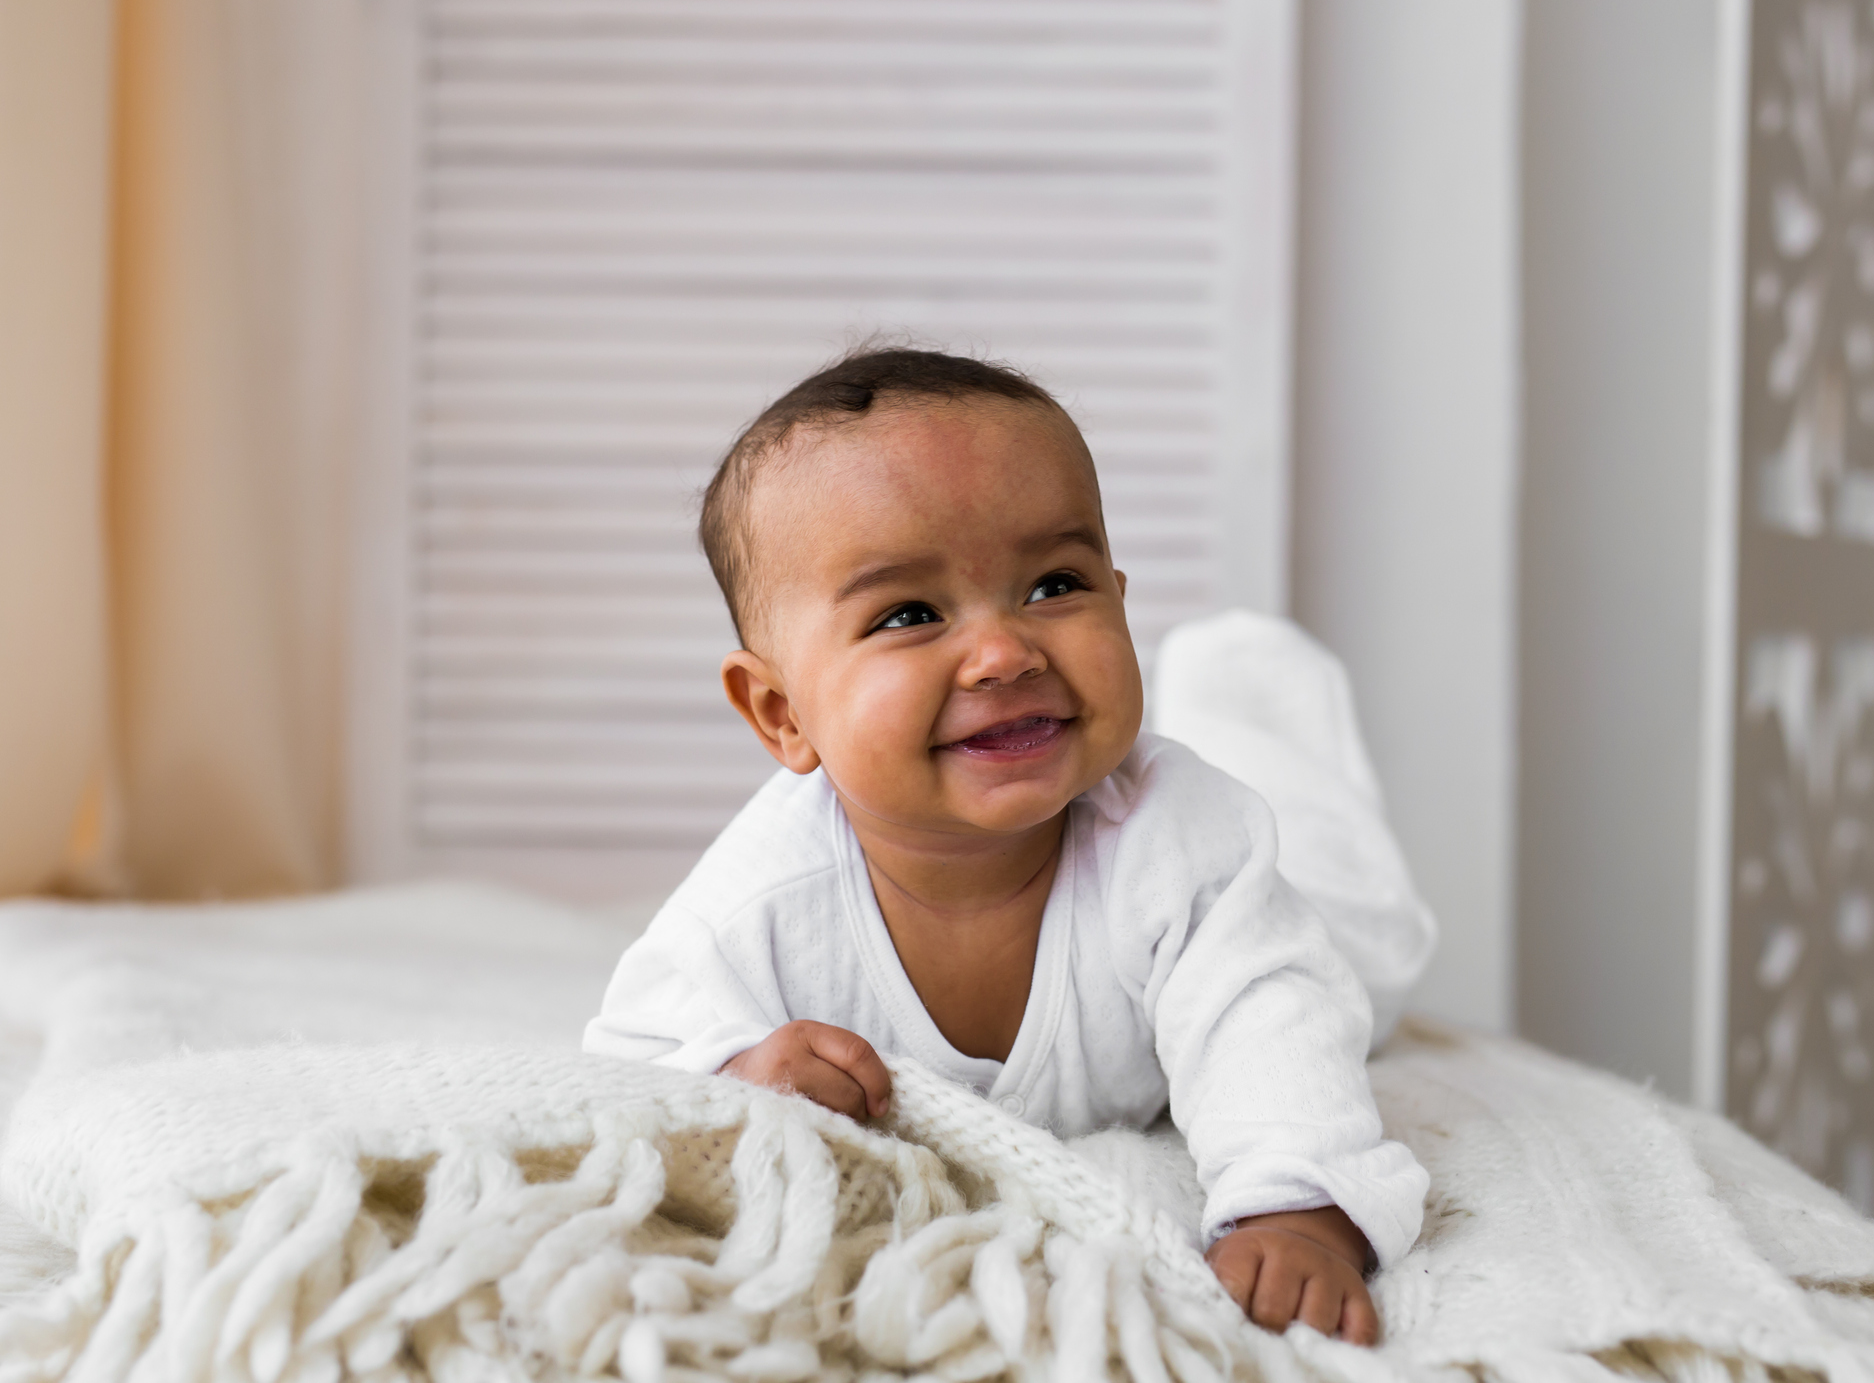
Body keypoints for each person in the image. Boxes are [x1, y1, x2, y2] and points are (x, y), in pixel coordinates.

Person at [584, 347, 1430, 1344]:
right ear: (781, 714)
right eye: (909, 614)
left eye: (1055, 586)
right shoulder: (762, 900)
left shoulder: (1186, 842)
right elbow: (625, 1065)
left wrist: (1294, 1207)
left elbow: (1270, 1018)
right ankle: (1225, 694)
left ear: (1118, 597)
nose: (1003, 652)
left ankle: (1257, 695)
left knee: (1365, 955)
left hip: (1294, 889)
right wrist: (734, 1080)